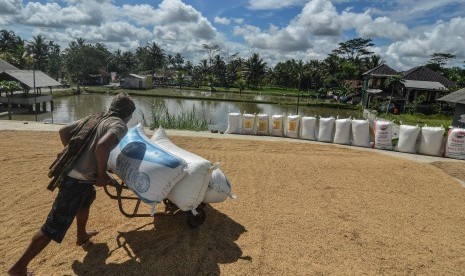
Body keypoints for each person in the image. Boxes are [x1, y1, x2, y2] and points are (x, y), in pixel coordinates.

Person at [8, 92, 136, 276]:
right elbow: (102, 146)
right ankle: (17, 268)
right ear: (128, 114)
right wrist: (101, 175)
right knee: (53, 226)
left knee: (87, 197)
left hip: (74, 176)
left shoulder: (96, 117)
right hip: (77, 180)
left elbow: (64, 131)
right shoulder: (119, 125)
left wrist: (75, 155)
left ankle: (81, 235)